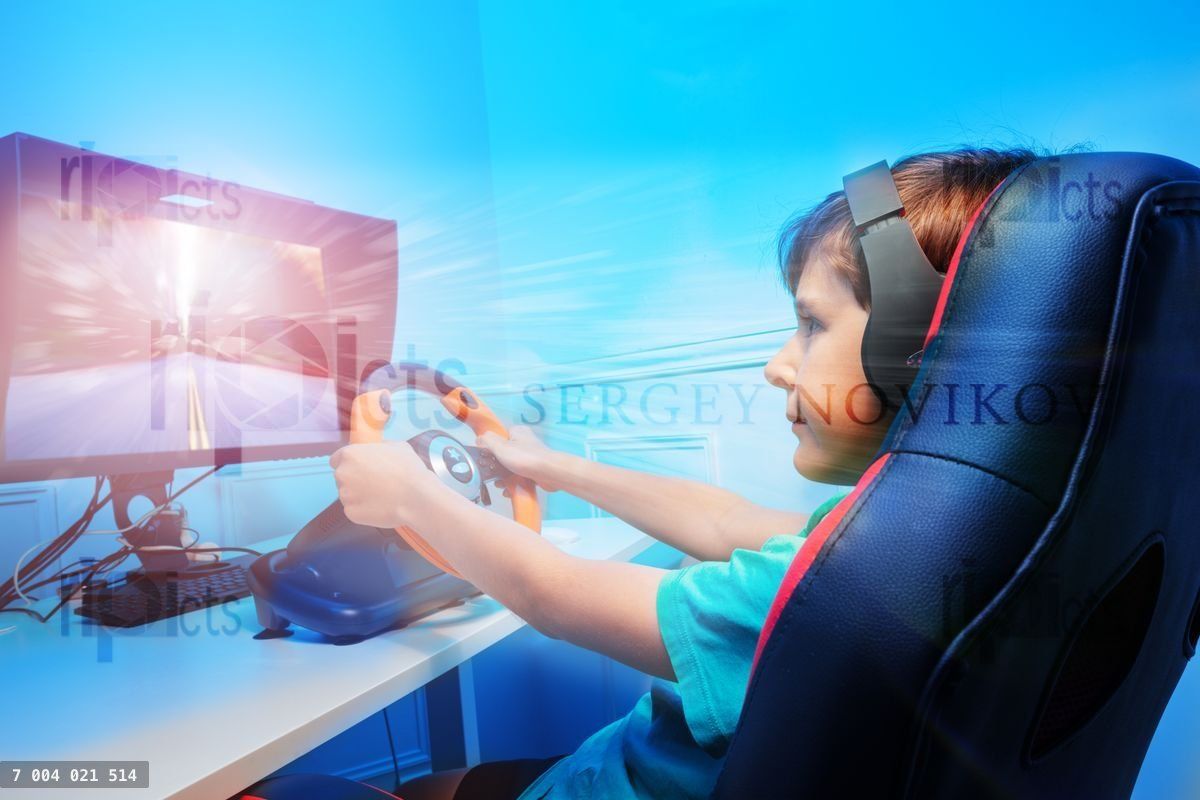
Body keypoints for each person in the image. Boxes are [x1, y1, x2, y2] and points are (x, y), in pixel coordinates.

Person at [330, 146, 1046, 799]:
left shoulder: (855, 581)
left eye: (812, 325)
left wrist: (411, 496)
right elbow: (725, 521)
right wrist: (552, 467)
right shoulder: (935, 538)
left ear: (922, 350)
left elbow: (553, 594)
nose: (777, 366)